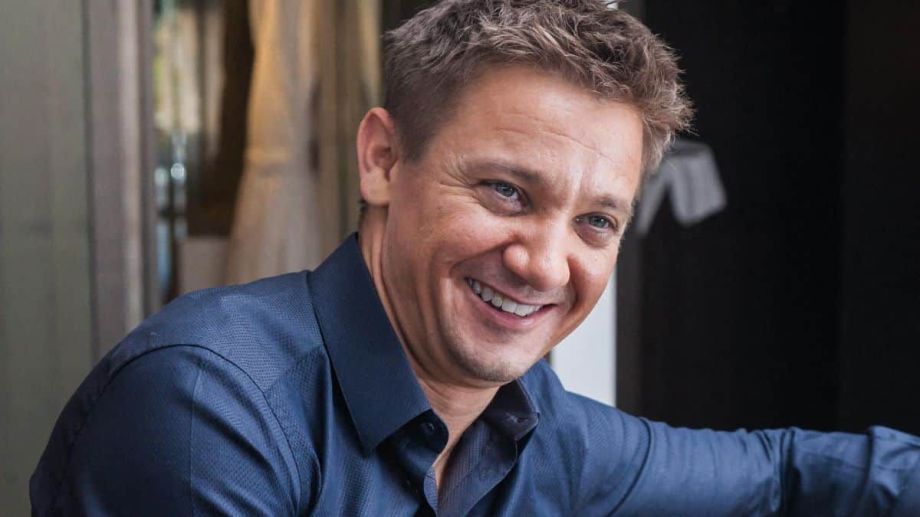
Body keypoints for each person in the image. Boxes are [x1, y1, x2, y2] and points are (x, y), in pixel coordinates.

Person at [31, 1, 920, 515]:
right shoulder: (207, 405)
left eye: (596, 221)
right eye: (506, 191)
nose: (545, 264)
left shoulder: (535, 423)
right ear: (384, 160)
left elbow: (780, 473)